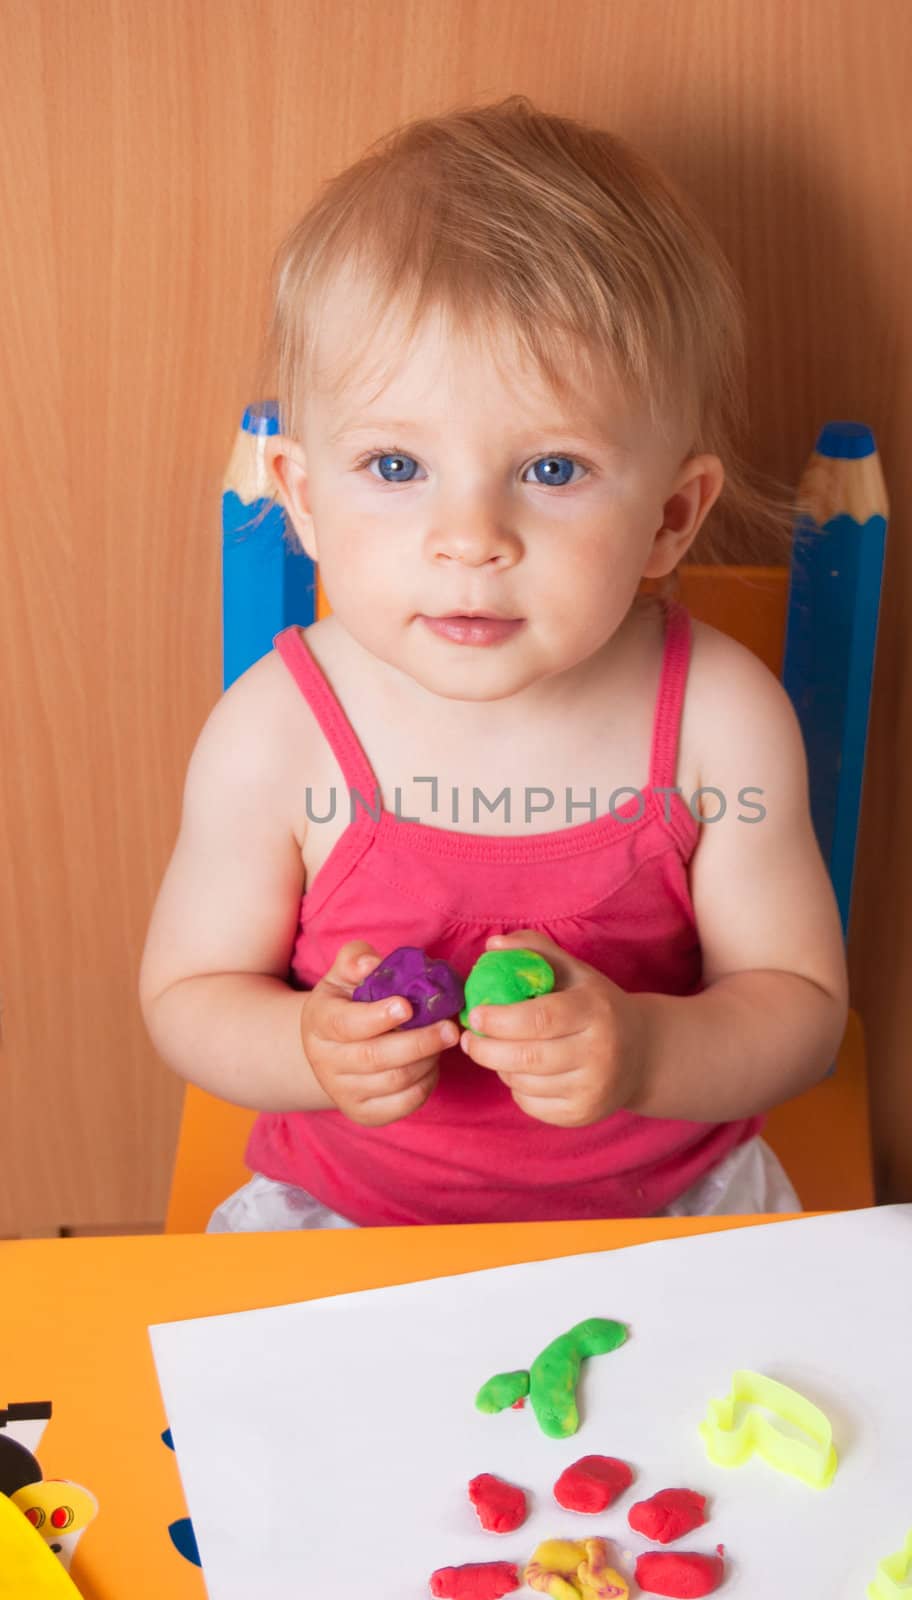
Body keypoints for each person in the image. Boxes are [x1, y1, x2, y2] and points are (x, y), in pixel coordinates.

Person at [139, 95, 848, 1231]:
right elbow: (186, 997)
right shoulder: (276, 730)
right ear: (305, 501)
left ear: (670, 517)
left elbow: (800, 1009)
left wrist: (648, 1048)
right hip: (346, 1212)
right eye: (395, 464)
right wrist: (310, 1048)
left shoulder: (718, 719)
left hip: (668, 1202)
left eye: (553, 471)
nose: (470, 536)